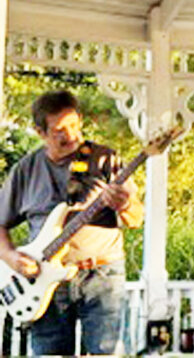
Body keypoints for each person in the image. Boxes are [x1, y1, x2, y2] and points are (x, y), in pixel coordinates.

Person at [0, 90, 144, 355]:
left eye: (75, 126)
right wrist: (9, 256)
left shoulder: (104, 159)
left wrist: (123, 204)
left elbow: (136, 219)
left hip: (102, 275)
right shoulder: (25, 169)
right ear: (40, 132)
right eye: (59, 130)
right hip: (44, 281)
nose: (71, 136)